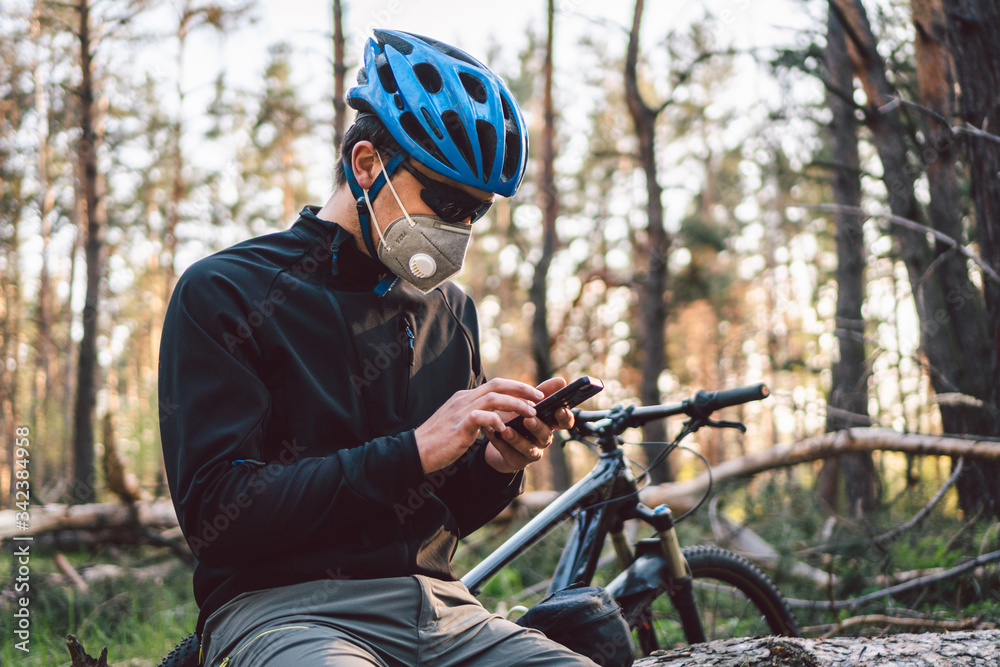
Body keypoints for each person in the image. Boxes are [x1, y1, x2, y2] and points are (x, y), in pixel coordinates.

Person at [158, 29, 598, 665]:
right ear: (367, 164)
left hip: (446, 613)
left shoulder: (452, 312)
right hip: (284, 615)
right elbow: (217, 517)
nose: (456, 229)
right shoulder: (226, 292)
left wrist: (500, 464)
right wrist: (414, 450)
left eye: (473, 213)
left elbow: (439, 514)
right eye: (444, 200)